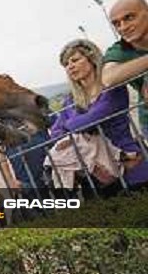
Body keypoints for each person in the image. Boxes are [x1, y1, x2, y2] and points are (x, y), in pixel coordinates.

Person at [48, 39, 148, 190]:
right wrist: (74, 127)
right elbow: (55, 133)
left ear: (92, 59)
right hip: (95, 175)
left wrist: (69, 125)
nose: (70, 66)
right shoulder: (71, 99)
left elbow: (94, 118)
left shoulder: (112, 88)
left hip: (129, 164)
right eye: (66, 64)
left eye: (75, 60)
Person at [102, 0, 148, 137]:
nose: (123, 27)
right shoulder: (119, 50)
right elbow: (108, 78)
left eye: (129, 17)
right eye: (116, 23)